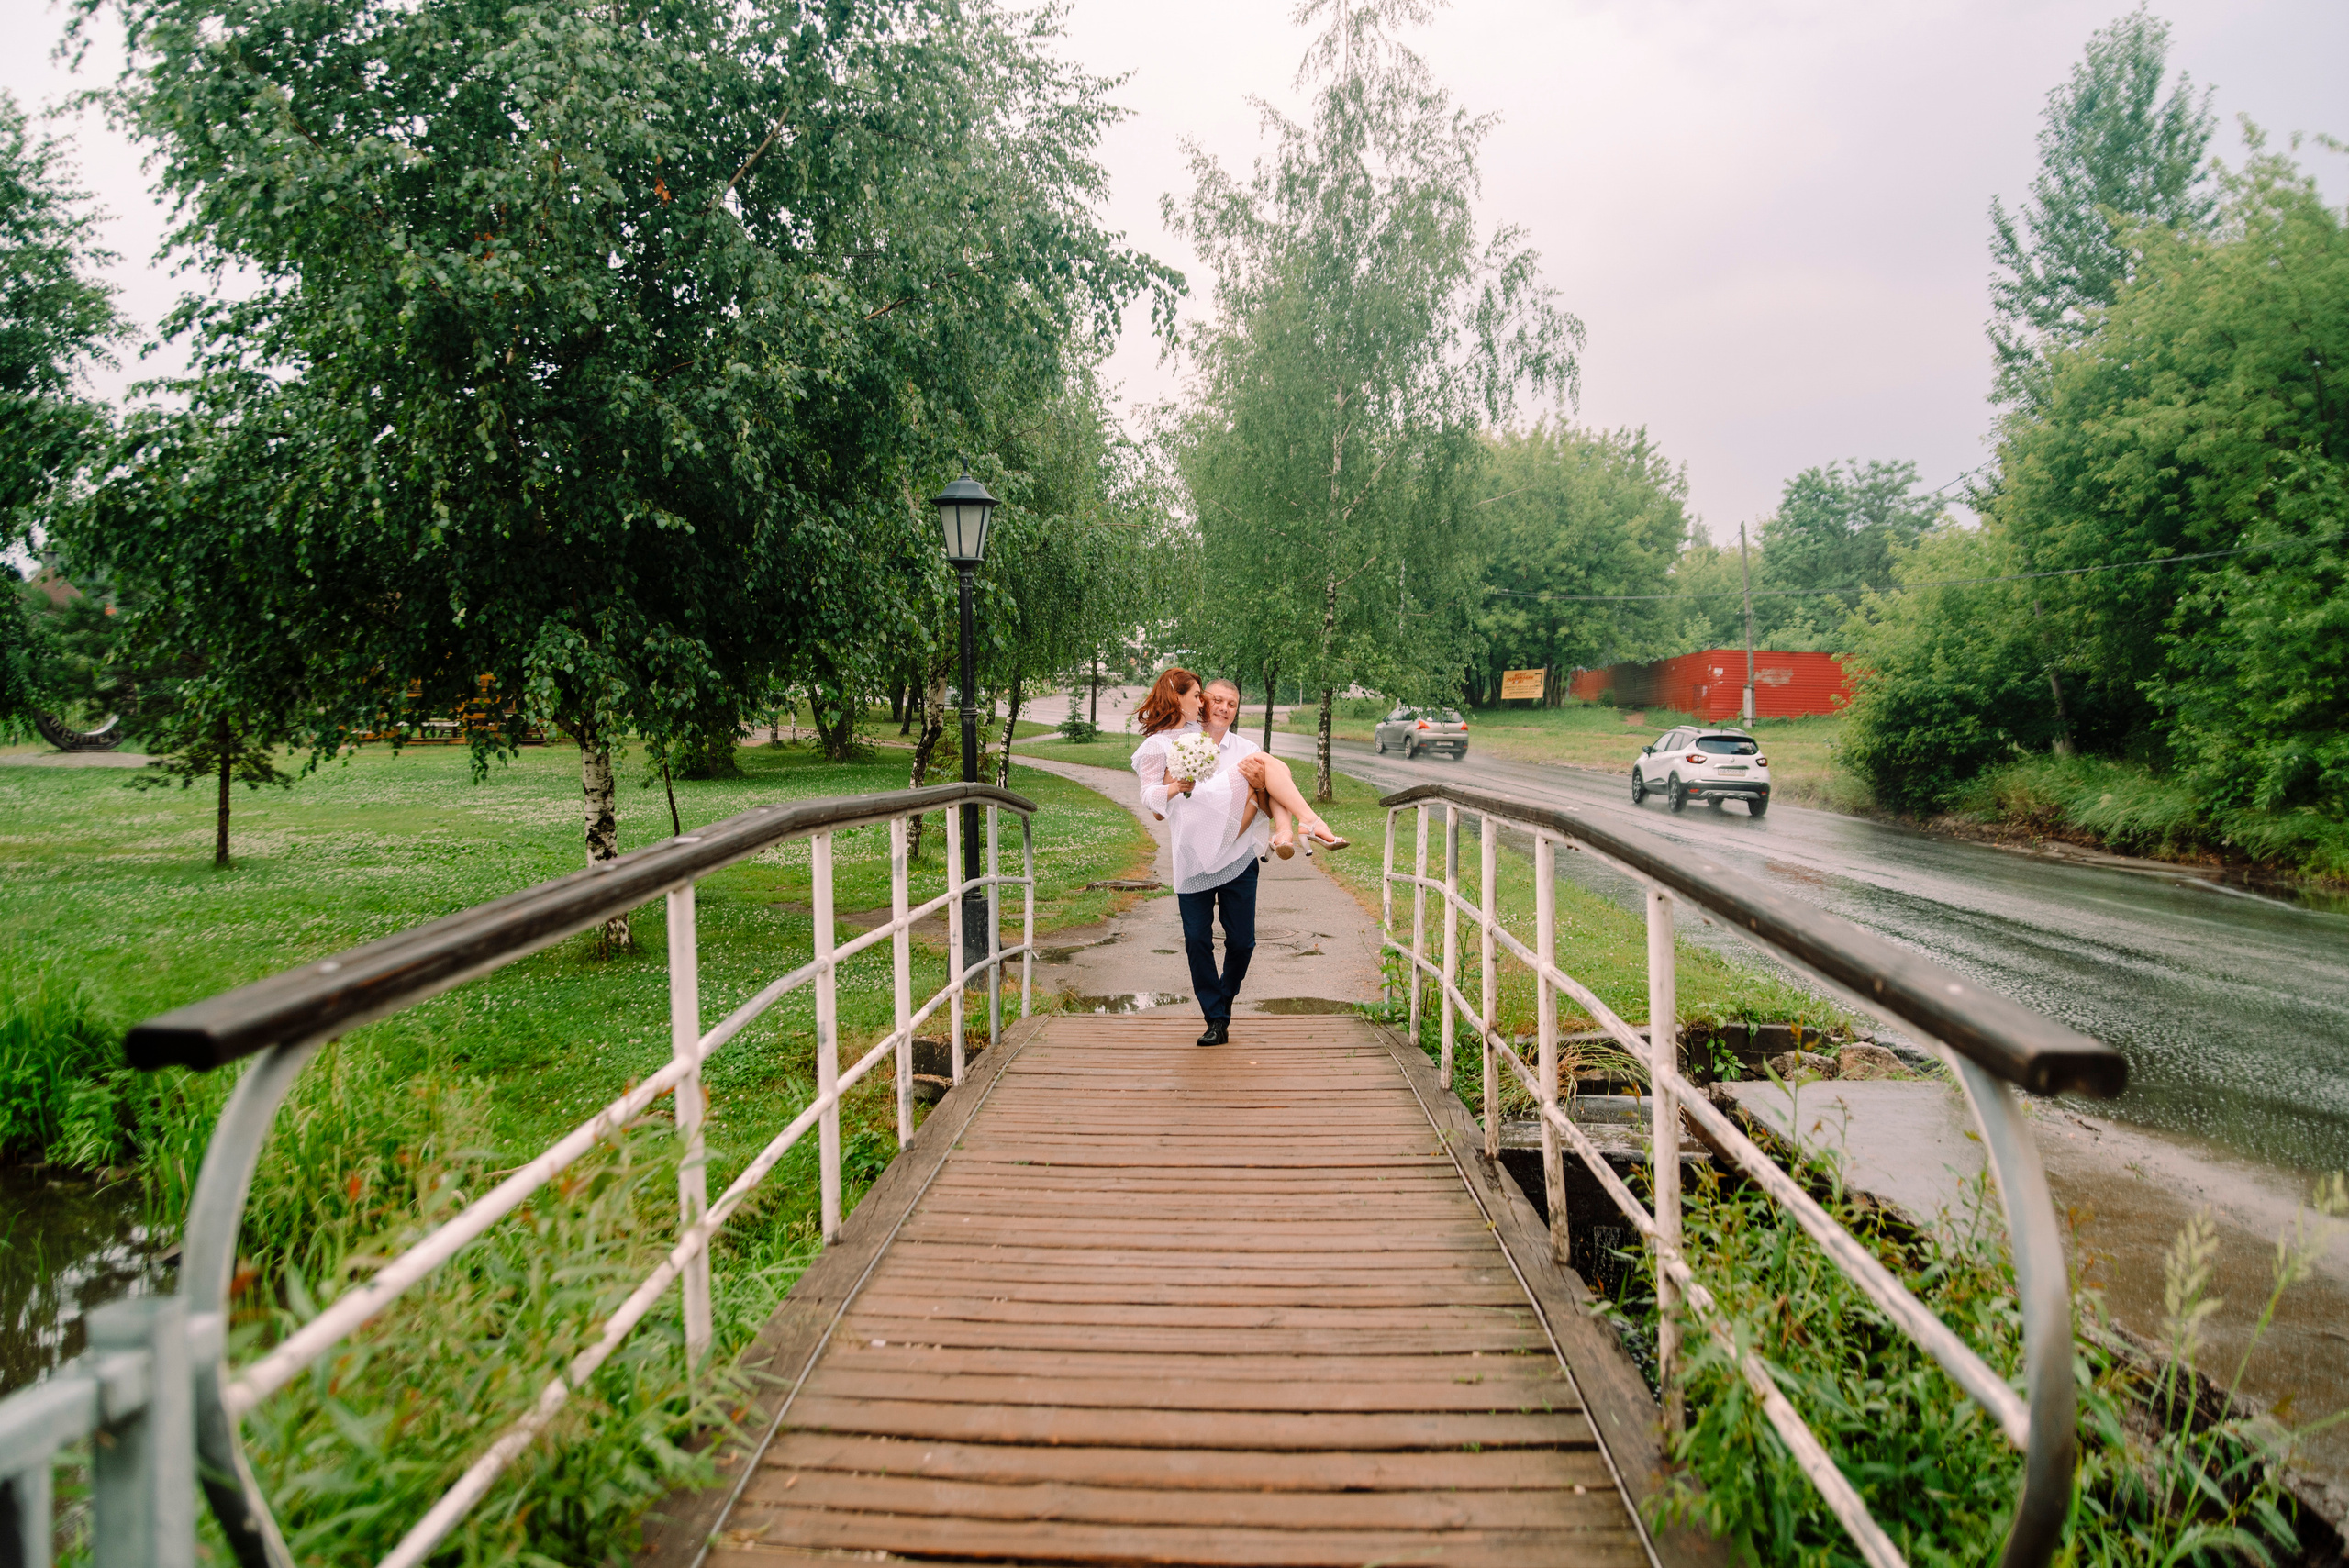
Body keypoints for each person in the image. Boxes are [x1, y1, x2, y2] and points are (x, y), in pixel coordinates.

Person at [1131, 668, 1346, 1047]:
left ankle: (1222, 1004)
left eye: (1231, 704)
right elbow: (1157, 808)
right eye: (1209, 698)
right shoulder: (1177, 742)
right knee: (1197, 941)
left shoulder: (1244, 749)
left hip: (1237, 854)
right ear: (1198, 703)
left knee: (1243, 943)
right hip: (1193, 857)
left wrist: (1261, 787)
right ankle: (1216, 1018)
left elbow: (1263, 797)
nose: (1218, 707)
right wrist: (1173, 787)